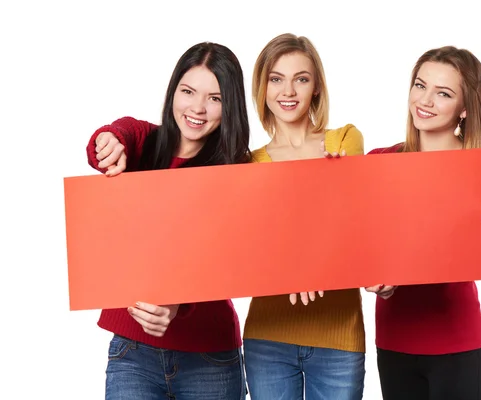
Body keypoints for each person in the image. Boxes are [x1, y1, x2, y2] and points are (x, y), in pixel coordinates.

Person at [85, 41, 251, 400]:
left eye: (215, 98)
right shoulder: (146, 145)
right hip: (133, 354)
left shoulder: (238, 171)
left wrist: (179, 302)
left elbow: (232, 261)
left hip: (210, 357)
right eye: (188, 91)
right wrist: (109, 139)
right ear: (173, 91)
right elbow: (121, 132)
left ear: (231, 106)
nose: (197, 108)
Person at [365, 46, 481, 400]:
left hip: (461, 347)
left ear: (465, 109)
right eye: (420, 86)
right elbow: (364, 247)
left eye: (444, 93)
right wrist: (374, 278)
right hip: (395, 344)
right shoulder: (379, 163)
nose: (425, 100)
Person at [242, 33, 366, 400]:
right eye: (276, 78)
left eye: (301, 78)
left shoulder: (344, 141)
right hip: (268, 338)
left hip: (339, 336)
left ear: (316, 87)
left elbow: (354, 226)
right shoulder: (248, 164)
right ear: (262, 88)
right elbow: (248, 249)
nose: (288, 90)